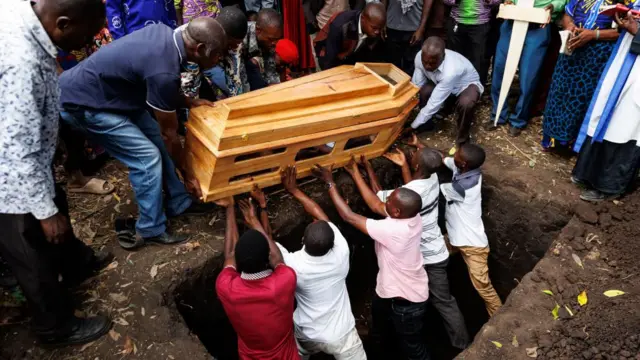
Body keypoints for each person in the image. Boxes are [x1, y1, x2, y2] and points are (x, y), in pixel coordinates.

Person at [0, 0, 115, 346]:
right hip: (8, 173)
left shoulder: (23, 13)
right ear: (63, 24)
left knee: (56, 203)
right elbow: (16, 150)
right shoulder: (20, 62)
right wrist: (44, 211)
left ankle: (77, 263)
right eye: (85, 36)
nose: (85, 45)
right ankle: (55, 327)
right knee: (29, 245)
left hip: (27, 155)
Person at [58, 18, 227, 249]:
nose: (218, 60)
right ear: (198, 49)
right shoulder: (164, 68)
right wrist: (188, 175)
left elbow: (159, 89)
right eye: (217, 55)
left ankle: (179, 201)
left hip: (116, 96)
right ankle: (150, 228)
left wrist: (189, 101)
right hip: (85, 103)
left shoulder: (166, 36)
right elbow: (170, 134)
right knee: (147, 158)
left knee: (156, 141)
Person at [312, 163, 430, 359]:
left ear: (397, 212)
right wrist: (356, 172)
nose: (386, 199)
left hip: (408, 305)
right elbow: (376, 204)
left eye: (390, 200)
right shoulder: (413, 217)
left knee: (412, 346)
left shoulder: (393, 231)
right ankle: (379, 350)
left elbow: (348, 216)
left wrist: (330, 183)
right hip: (390, 292)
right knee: (380, 328)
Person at [381, 139, 470, 350]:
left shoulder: (412, 193)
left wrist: (362, 171)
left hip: (428, 258)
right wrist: (404, 166)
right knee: (444, 301)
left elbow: (380, 202)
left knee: (439, 301)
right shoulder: (432, 179)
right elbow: (413, 189)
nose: (411, 156)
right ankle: (462, 343)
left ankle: (464, 348)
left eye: (413, 157)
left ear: (418, 167)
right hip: (437, 251)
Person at [277, 166, 367, 359]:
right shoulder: (341, 253)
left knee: (298, 354)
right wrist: (295, 190)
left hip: (307, 333)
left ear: (302, 240)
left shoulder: (293, 265)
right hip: (341, 336)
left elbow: (268, 245)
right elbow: (321, 216)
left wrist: (289, 192)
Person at [215, 196, 299, 359]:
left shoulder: (226, 288)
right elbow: (277, 258)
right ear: (267, 256)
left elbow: (230, 254)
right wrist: (253, 219)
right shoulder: (283, 282)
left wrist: (230, 208)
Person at [571, 10, 640, 202]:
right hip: (625, 56)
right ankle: (588, 173)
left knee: (625, 125)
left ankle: (608, 186)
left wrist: (637, 31)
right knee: (605, 113)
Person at [540, 0, 620, 151]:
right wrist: (569, 26)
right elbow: (567, 14)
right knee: (560, 91)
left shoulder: (629, 2)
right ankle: (552, 140)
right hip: (571, 45)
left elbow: (624, 32)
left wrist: (594, 34)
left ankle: (572, 145)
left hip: (598, 55)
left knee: (584, 97)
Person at [441, 144, 502, 317]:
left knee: (484, 289)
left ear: (464, 164)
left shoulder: (465, 187)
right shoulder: (465, 169)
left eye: (457, 156)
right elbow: (443, 159)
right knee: (426, 255)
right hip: (454, 238)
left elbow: (431, 193)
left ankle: (498, 320)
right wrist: (419, 146)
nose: (454, 156)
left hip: (473, 247)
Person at [487, 0, 564, 137]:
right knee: (500, 70)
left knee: (528, 78)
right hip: (512, 20)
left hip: (537, 26)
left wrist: (554, 6)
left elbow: (562, 1)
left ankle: (518, 119)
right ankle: (498, 114)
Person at [410, 37, 483, 148]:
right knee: (425, 91)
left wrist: (413, 125)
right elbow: (417, 84)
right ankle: (426, 125)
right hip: (442, 83)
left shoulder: (451, 71)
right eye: (425, 62)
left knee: (466, 103)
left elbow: (434, 103)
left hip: (465, 86)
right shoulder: (419, 57)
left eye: (433, 63)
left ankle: (462, 141)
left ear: (443, 58)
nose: (428, 66)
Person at [314, 2, 387, 70]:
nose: (377, 32)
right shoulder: (340, 26)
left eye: (380, 28)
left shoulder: (375, 26)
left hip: (350, 58)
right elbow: (329, 61)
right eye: (374, 28)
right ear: (363, 19)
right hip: (328, 56)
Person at [443, 0, 500, 84]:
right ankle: (455, 90)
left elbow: (497, 1)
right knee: (456, 60)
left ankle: (476, 90)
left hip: (480, 24)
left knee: (478, 61)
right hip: (457, 23)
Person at [382, 0, 433, 75]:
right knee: (391, 66)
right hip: (391, 25)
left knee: (411, 67)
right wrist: (382, 21)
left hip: (414, 29)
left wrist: (421, 28)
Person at [244, 8, 284, 90]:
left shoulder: (270, 41)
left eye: (277, 39)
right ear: (258, 30)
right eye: (271, 39)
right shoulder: (241, 36)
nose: (275, 43)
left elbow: (271, 72)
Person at [106, 0, 178, 39]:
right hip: (133, 38)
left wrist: (173, 33)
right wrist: (120, 39)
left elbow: (170, 8)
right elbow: (113, 12)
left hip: (164, 37)